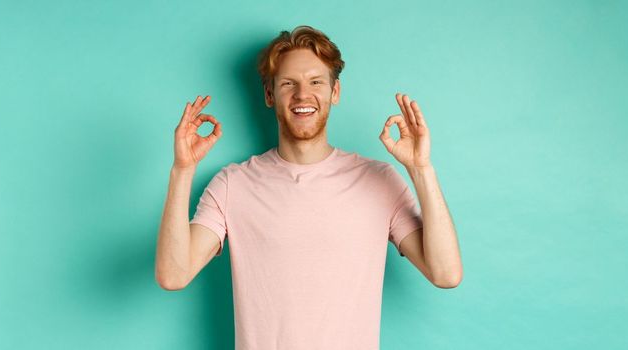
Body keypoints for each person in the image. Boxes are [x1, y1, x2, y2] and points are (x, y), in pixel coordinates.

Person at [155, 25, 462, 349]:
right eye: (289, 84)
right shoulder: (233, 185)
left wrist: (419, 168)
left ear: (335, 91)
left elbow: (446, 273)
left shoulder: (379, 181)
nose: (303, 95)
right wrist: (182, 170)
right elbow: (174, 275)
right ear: (270, 94)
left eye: (316, 81)